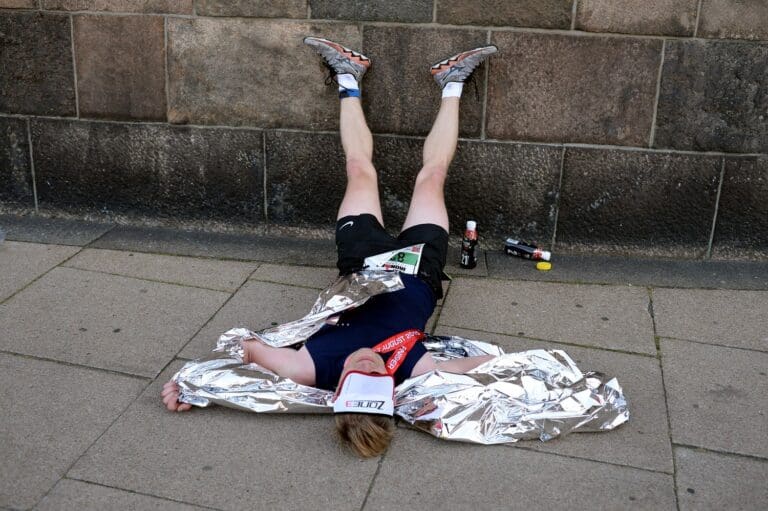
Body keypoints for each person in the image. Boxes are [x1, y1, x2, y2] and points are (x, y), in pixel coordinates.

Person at [162, 37, 499, 457]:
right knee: (431, 177)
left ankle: (348, 77)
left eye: (353, 378)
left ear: (337, 390)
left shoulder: (306, 368)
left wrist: (192, 384)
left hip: (362, 263)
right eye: (375, 379)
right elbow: (494, 368)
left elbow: (245, 351)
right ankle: (451, 83)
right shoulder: (414, 371)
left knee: (359, 171)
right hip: (419, 269)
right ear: (389, 393)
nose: (364, 366)